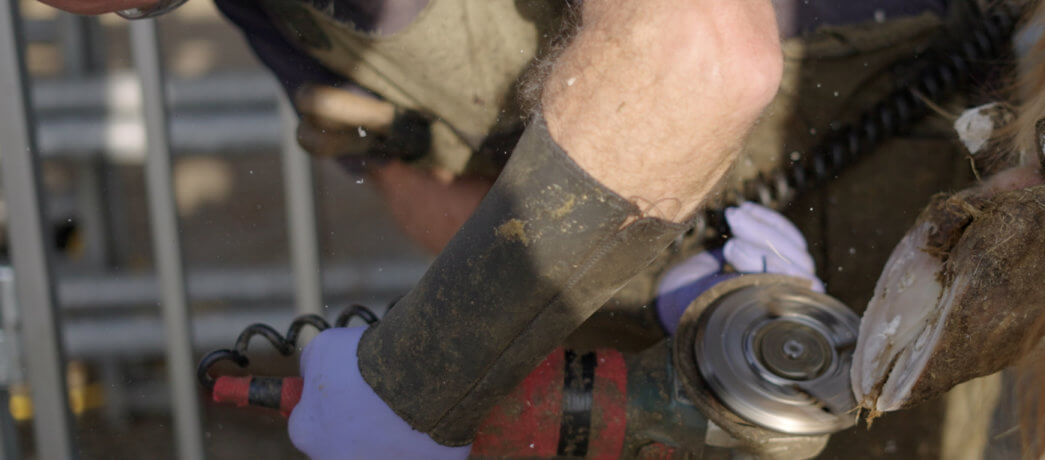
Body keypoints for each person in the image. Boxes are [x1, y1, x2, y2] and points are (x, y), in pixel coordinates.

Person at [40, 0, 972, 458]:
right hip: (596, 251)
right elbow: (411, 166)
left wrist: (418, 386)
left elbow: (701, 51)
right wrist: (659, 276)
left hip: (883, 114)